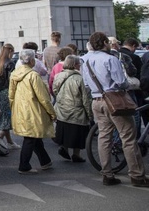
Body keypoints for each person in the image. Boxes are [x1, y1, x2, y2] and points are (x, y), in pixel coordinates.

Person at [82, 32, 149, 187]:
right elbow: (120, 82)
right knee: (128, 137)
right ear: (105, 42)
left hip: (97, 100)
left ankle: (107, 173)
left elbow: (86, 84)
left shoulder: (85, 60)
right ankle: (137, 175)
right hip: (115, 101)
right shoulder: (110, 59)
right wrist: (132, 84)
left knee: (104, 137)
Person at [9, 49, 56, 175]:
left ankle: (45, 161)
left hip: (20, 108)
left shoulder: (14, 74)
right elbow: (43, 97)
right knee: (31, 137)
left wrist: (13, 107)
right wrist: (51, 112)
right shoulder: (33, 75)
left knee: (33, 136)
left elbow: (11, 94)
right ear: (31, 60)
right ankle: (24, 165)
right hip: (33, 109)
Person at [52, 55, 92, 163]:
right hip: (76, 109)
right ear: (74, 65)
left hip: (62, 108)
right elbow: (85, 98)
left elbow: (54, 90)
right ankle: (76, 154)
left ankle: (64, 147)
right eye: (79, 63)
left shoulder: (58, 76)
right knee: (78, 132)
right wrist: (89, 115)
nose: (80, 65)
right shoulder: (78, 78)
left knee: (65, 129)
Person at [0, 43, 19, 150]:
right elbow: (11, 80)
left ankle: (9, 141)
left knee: (4, 117)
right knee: (8, 117)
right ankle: (0, 137)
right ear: (10, 51)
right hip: (7, 91)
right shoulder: (10, 63)